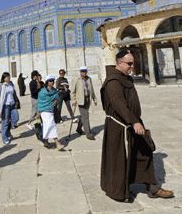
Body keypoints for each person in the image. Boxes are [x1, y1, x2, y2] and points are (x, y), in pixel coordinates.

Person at [100, 50, 174, 202]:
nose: (132, 66)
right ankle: (120, 191)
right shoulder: (113, 82)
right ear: (119, 63)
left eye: (132, 63)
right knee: (121, 159)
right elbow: (119, 105)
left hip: (133, 123)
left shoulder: (125, 78)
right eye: (129, 63)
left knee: (145, 151)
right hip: (120, 127)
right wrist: (133, 122)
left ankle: (152, 187)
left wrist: (136, 121)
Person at [37, 75, 65, 150]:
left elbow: (57, 97)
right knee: (52, 125)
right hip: (44, 111)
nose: (52, 82)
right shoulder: (42, 92)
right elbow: (40, 102)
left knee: (47, 126)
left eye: (53, 80)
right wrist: (38, 112)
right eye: (50, 81)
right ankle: (57, 143)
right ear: (47, 82)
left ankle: (45, 141)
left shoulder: (54, 90)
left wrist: (56, 100)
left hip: (51, 110)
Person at [71, 66, 98, 140]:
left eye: (85, 71)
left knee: (84, 116)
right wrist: (73, 100)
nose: (84, 72)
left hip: (87, 99)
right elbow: (72, 91)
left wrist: (94, 98)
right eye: (82, 71)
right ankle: (88, 134)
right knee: (85, 116)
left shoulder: (89, 79)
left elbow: (91, 89)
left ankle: (79, 129)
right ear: (80, 72)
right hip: (80, 100)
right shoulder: (77, 79)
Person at [0, 72, 20, 145]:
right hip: (5, 106)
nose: (9, 78)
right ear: (4, 78)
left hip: (12, 104)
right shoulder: (0, 86)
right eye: (7, 77)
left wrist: (16, 101)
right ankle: (4, 138)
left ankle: (8, 131)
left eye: (9, 77)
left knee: (16, 118)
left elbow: (14, 93)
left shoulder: (11, 84)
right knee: (5, 122)